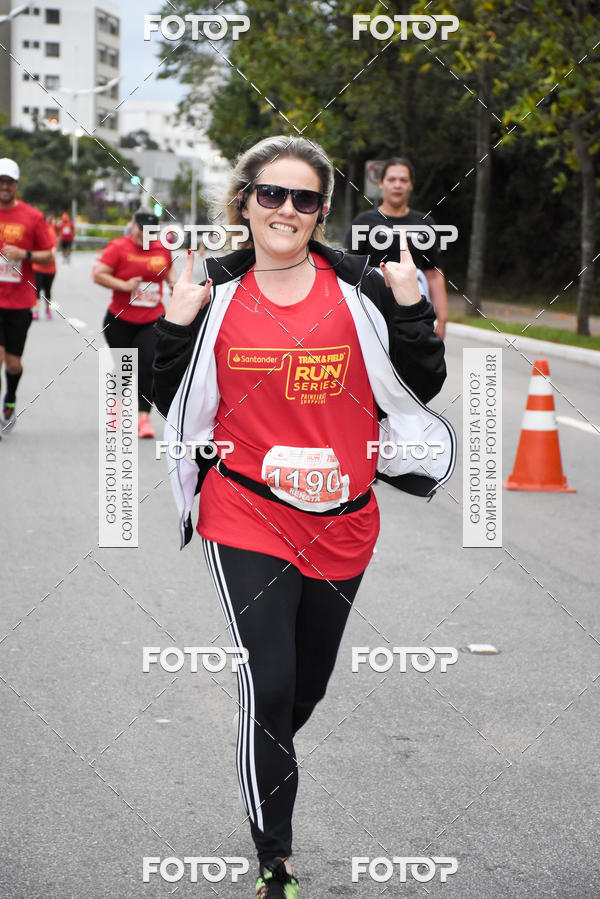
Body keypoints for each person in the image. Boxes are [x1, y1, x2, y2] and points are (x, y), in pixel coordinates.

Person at [152, 136, 455, 898]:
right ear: (246, 201)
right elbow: (169, 395)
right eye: (271, 195)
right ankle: (275, 860)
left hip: (344, 518)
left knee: (304, 691)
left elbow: (425, 380)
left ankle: (268, 751)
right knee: (271, 679)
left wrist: (414, 307)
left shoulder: (361, 286)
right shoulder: (214, 291)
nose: (287, 210)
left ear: (322, 210)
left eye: (305, 199)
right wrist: (175, 326)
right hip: (246, 510)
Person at [92, 208, 177, 438]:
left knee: (148, 364)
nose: (145, 236)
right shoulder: (118, 247)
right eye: (141, 231)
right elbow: (98, 274)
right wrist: (124, 285)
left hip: (152, 319)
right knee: (125, 366)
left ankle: (143, 419)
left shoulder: (162, 250)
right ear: (133, 226)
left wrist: (174, 285)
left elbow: (169, 272)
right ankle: (117, 411)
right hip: (120, 320)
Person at [345, 157, 449, 340]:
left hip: (415, 312)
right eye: (392, 179)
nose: (397, 185)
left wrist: (442, 318)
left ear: (411, 185)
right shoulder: (363, 223)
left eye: (403, 180)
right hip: (372, 311)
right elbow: (349, 274)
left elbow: (434, 274)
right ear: (381, 183)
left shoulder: (425, 223)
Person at [0, 158, 53, 434]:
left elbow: (48, 254)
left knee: (13, 362)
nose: (4, 186)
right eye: (0, 181)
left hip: (20, 302)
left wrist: (25, 254)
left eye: (9, 182)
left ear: (16, 185)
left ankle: (10, 397)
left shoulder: (32, 217)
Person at [32, 214, 57, 319]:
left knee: (47, 291)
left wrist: (47, 257)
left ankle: (47, 309)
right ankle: (36, 311)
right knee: (36, 289)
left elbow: (53, 249)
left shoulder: (50, 232)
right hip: (37, 268)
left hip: (50, 269)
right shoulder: (34, 233)